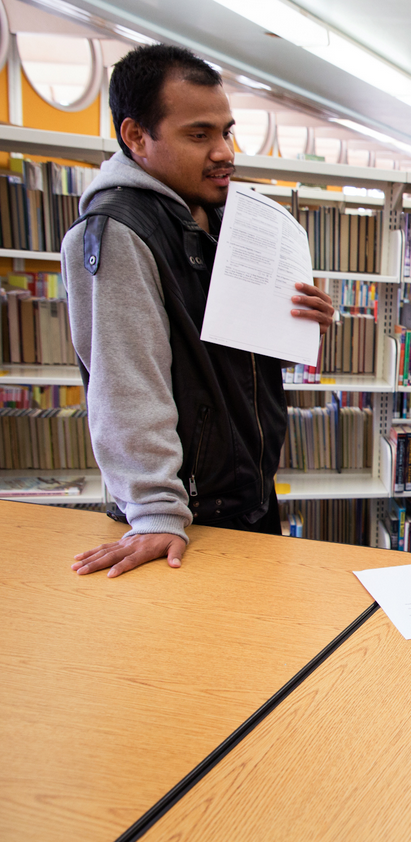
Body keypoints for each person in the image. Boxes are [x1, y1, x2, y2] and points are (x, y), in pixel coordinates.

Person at [63, 44, 335, 578]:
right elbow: (125, 382)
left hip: (246, 489)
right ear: (136, 136)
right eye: (199, 134)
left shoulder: (227, 214)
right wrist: (155, 511)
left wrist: (307, 314)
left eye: (226, 131)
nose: (224, 152)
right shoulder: (119, 231)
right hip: (179, 519)